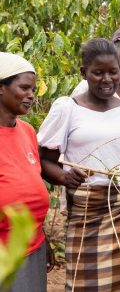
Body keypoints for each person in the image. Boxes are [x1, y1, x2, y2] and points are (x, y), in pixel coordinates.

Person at [38, 38, 120, 291]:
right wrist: (64, 177)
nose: (107, 79)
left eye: (112, 72)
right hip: (89, 214)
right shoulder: (67, 109)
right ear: (84, 73)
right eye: (98, 73)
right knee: (89, 283)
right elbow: (43, 161)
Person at [0, 52, 54, 292]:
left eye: (33, 89)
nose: (31, 95)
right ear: (1, 88)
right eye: (24, 88)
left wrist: (44, 240)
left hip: (33, 248)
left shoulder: (28, 131)